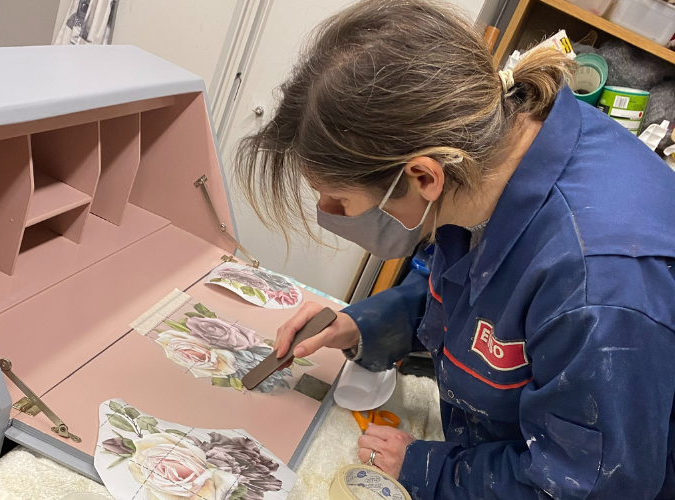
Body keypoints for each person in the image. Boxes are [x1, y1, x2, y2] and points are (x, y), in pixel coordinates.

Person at [234, 0, 675, 498]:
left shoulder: (598, 284)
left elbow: (587, 486)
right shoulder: (493, 158)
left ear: (423, 176)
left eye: (342, 200)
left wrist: (430, 470)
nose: (332, 213)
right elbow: (483, 291)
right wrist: (362, 325)